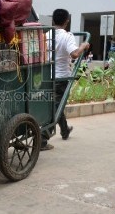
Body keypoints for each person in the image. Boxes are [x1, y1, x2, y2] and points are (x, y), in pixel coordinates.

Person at [42, 9, 89, 151]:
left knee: (56, 104)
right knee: (56, 107)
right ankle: (43, 139)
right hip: (61, 77)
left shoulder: (47, 35)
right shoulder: (67, 36)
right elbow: (74, 54)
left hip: (47, 76)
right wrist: (83, 46)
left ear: (53, 21)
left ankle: (64, 130)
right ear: (67, 21)